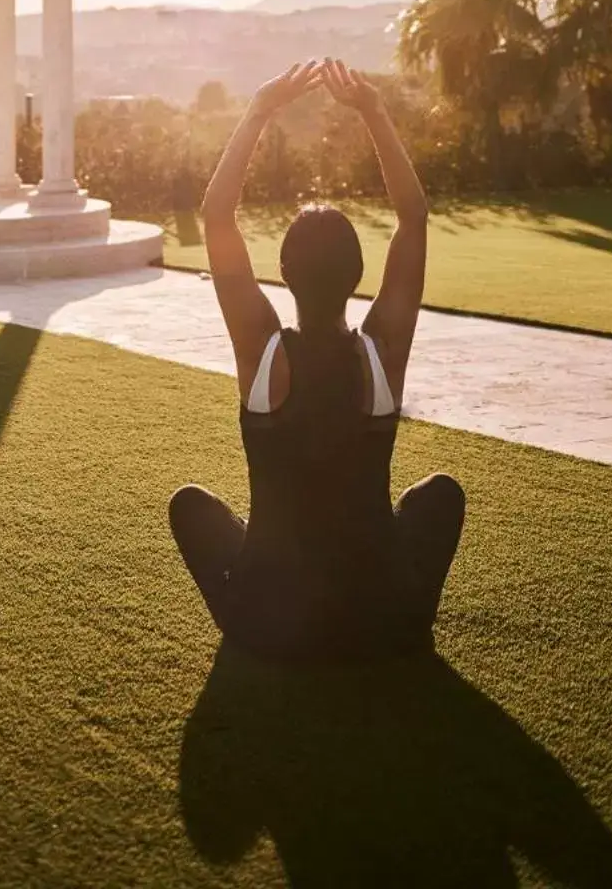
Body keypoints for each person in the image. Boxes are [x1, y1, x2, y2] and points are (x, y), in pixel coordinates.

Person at [169, 58, 464, 663]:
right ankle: (406, 620)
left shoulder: (262, 349)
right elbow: (414, 216)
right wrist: (374, 111)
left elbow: (217, 216)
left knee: (191, 506)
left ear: (285, 275)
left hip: (270, 622)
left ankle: (255, 618)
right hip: (384, 616)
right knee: (438, 495)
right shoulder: (383, 350)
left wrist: (259, 110)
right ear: (359, 276)